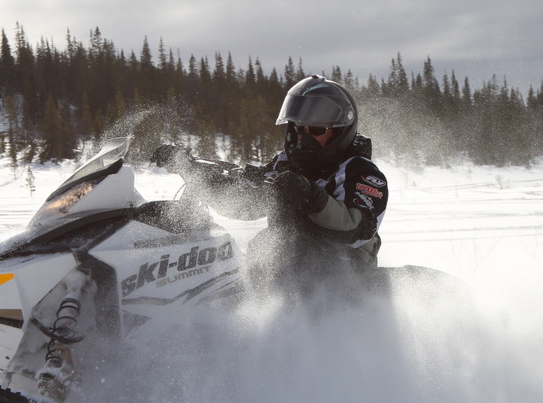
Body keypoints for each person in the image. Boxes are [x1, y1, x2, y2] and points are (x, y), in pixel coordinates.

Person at [152, 76, 387, 294]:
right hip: (289, 270)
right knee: (259, 248)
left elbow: (357, 229)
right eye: (297, 129)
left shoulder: (363, 174)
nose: (302, 138)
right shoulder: (284, 165)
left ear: (340, 132)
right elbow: (245, 199)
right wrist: (193, 172)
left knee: (281, 246)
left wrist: (310, 195)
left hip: (347, 278)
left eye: (315, 129)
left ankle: (273, 314)